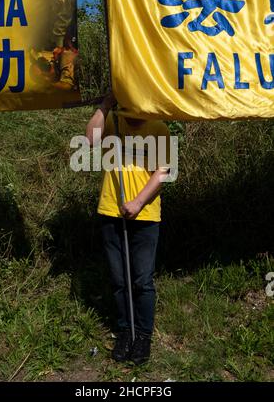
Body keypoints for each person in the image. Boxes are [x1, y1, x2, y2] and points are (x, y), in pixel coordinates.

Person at [86, 93, 171, 365]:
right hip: (111, 210)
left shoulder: (159, 128)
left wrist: (137, 202)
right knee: (119, 279)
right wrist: (105, 106)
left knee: (142, 280)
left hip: (145, 215)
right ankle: (125, 331)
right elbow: (90, 140)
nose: (132, 112)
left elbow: (163, 172)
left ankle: (143, 335)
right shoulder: (113, 122)